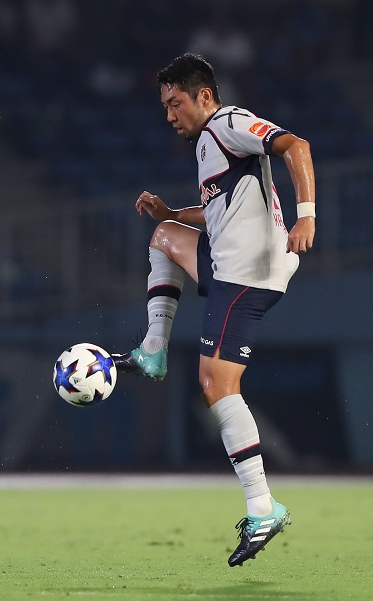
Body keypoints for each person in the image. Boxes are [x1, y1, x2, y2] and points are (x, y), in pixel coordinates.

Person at [111, 53, 316, 567]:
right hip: (228, 260)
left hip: (247, 272)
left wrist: (306, 215)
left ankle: (263, 507)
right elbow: (218, 210)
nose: (169, 115)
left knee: (216, 385)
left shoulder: (229, 123)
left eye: (175, 103)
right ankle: (153, 350)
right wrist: (172, 213)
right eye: (165, 106)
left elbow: (296, 145)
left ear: (204, 96)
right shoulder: (209, 143)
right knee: (164, 236)